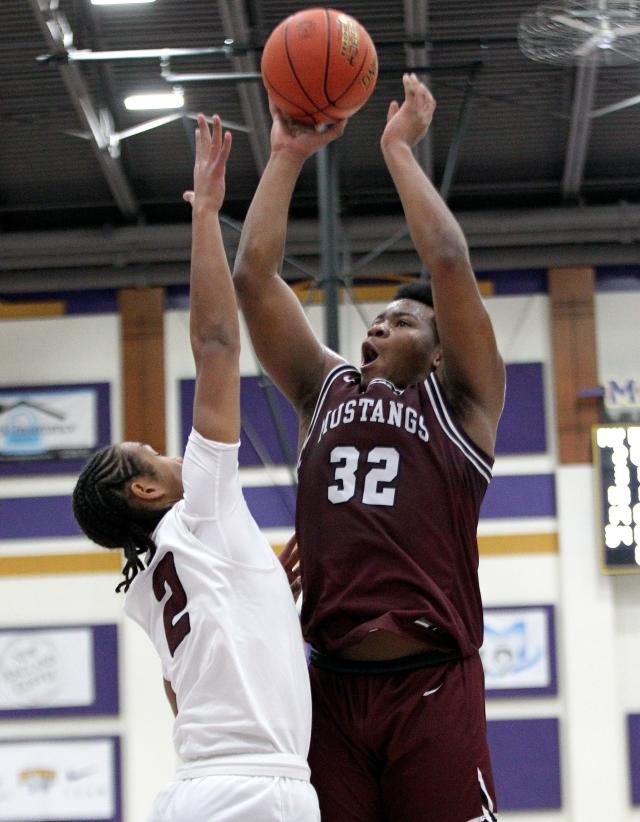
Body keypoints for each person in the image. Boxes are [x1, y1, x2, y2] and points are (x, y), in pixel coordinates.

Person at [233, 73, 505, 822]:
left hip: (432, 686)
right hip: (329, 689)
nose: (380, 328)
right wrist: (286, 154)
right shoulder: (326, 387)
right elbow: (252, 279)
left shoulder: (462, 404)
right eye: (376, 320)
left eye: (403, 321)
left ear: (442, 351)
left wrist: (398, 150)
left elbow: (448, 260)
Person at [72, 114, 319, 822]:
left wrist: (259, 585)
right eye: (152, 454)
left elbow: (182, 692)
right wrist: (207, 213)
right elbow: (216, 343)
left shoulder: (146, 581)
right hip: (255, 790)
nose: (170, 451)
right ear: (147, 489)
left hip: (193, 790)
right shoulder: (199, 511)